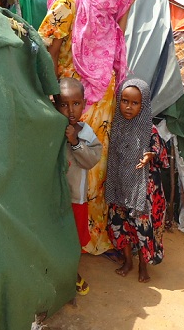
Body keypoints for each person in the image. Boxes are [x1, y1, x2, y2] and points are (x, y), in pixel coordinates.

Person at [38, 0, 138, 257]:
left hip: (101, 106)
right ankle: (68, 237)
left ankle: (91, 235)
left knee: (95, 168)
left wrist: (127, 4)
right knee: (75, 170)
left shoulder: (102, 9)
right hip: (75, 104)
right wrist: (52, 96)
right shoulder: (69, 3)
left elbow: (117, 36)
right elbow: (48, 47)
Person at [105, 78, 169, 283]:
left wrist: (151, 155)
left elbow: (162, 155)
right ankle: (128, 261)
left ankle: (143, 265)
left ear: (144, 105)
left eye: (135, 103)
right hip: (120, 186)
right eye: (124, 101)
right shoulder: (117, 125)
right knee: (119, 224)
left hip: (143, 191)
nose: (128, 107)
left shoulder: (149, 130)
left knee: (143, 229)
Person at [54, 77, 103, 296]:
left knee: (74, 239)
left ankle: (72, 273)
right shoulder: (50, 129)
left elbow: (91, 160)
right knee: (55, 235)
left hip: (76, 198)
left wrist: (75, 142)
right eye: (63, 104)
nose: (70, 110)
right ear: (55, 105)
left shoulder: (85, 132)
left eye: (75, 104)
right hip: (53, 197)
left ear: (84, 104)